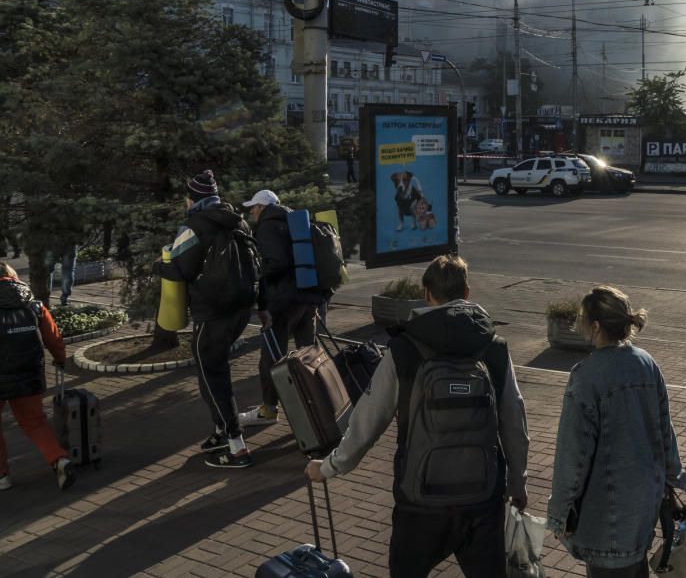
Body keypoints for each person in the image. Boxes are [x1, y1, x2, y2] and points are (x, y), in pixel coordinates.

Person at [306, 254, 528, 577]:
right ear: (467, 293)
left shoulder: (404, 349)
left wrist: (329, 467)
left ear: (426, 294)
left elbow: (368, 420)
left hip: (420, 500)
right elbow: (514, 420)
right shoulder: (493, 347)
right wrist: (516, 483)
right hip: (482, 497)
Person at [547, 286, 686, 577]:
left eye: (582, 317)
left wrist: (559, 514)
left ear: (596, 326)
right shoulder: (646, 362)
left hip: (606, 511)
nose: (579, 323)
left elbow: (573, 457)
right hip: (644, 501)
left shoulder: (586, 376)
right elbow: (665, 431)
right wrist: (673, 478)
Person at [153, 170, 268, 469]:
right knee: (218, 369)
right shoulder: (236, 220)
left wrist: (159, 266)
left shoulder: (195, 225)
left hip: (213, 311)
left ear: (193, 198)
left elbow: (179, 269)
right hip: (241, 309)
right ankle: (220, 433)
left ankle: (236, 446)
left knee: (211, 377)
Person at [237, 189, 329, 428]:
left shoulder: (268, 226)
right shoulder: (295, 223)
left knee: (270, 357)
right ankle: (320, 405)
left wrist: (263, 297)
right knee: (309, 352)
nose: (251, 212)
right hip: (308, 298)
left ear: (262, 208)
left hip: (284, 303)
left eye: (253, 207)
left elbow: (277, 264)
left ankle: (269, 410)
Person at [0, 263, 75, 491]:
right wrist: (60, 359)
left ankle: (2, 477)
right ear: (13, 276)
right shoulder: (34, 304)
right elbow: (53, 337)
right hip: (29, 370)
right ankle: (59, 460)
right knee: (34, 421)